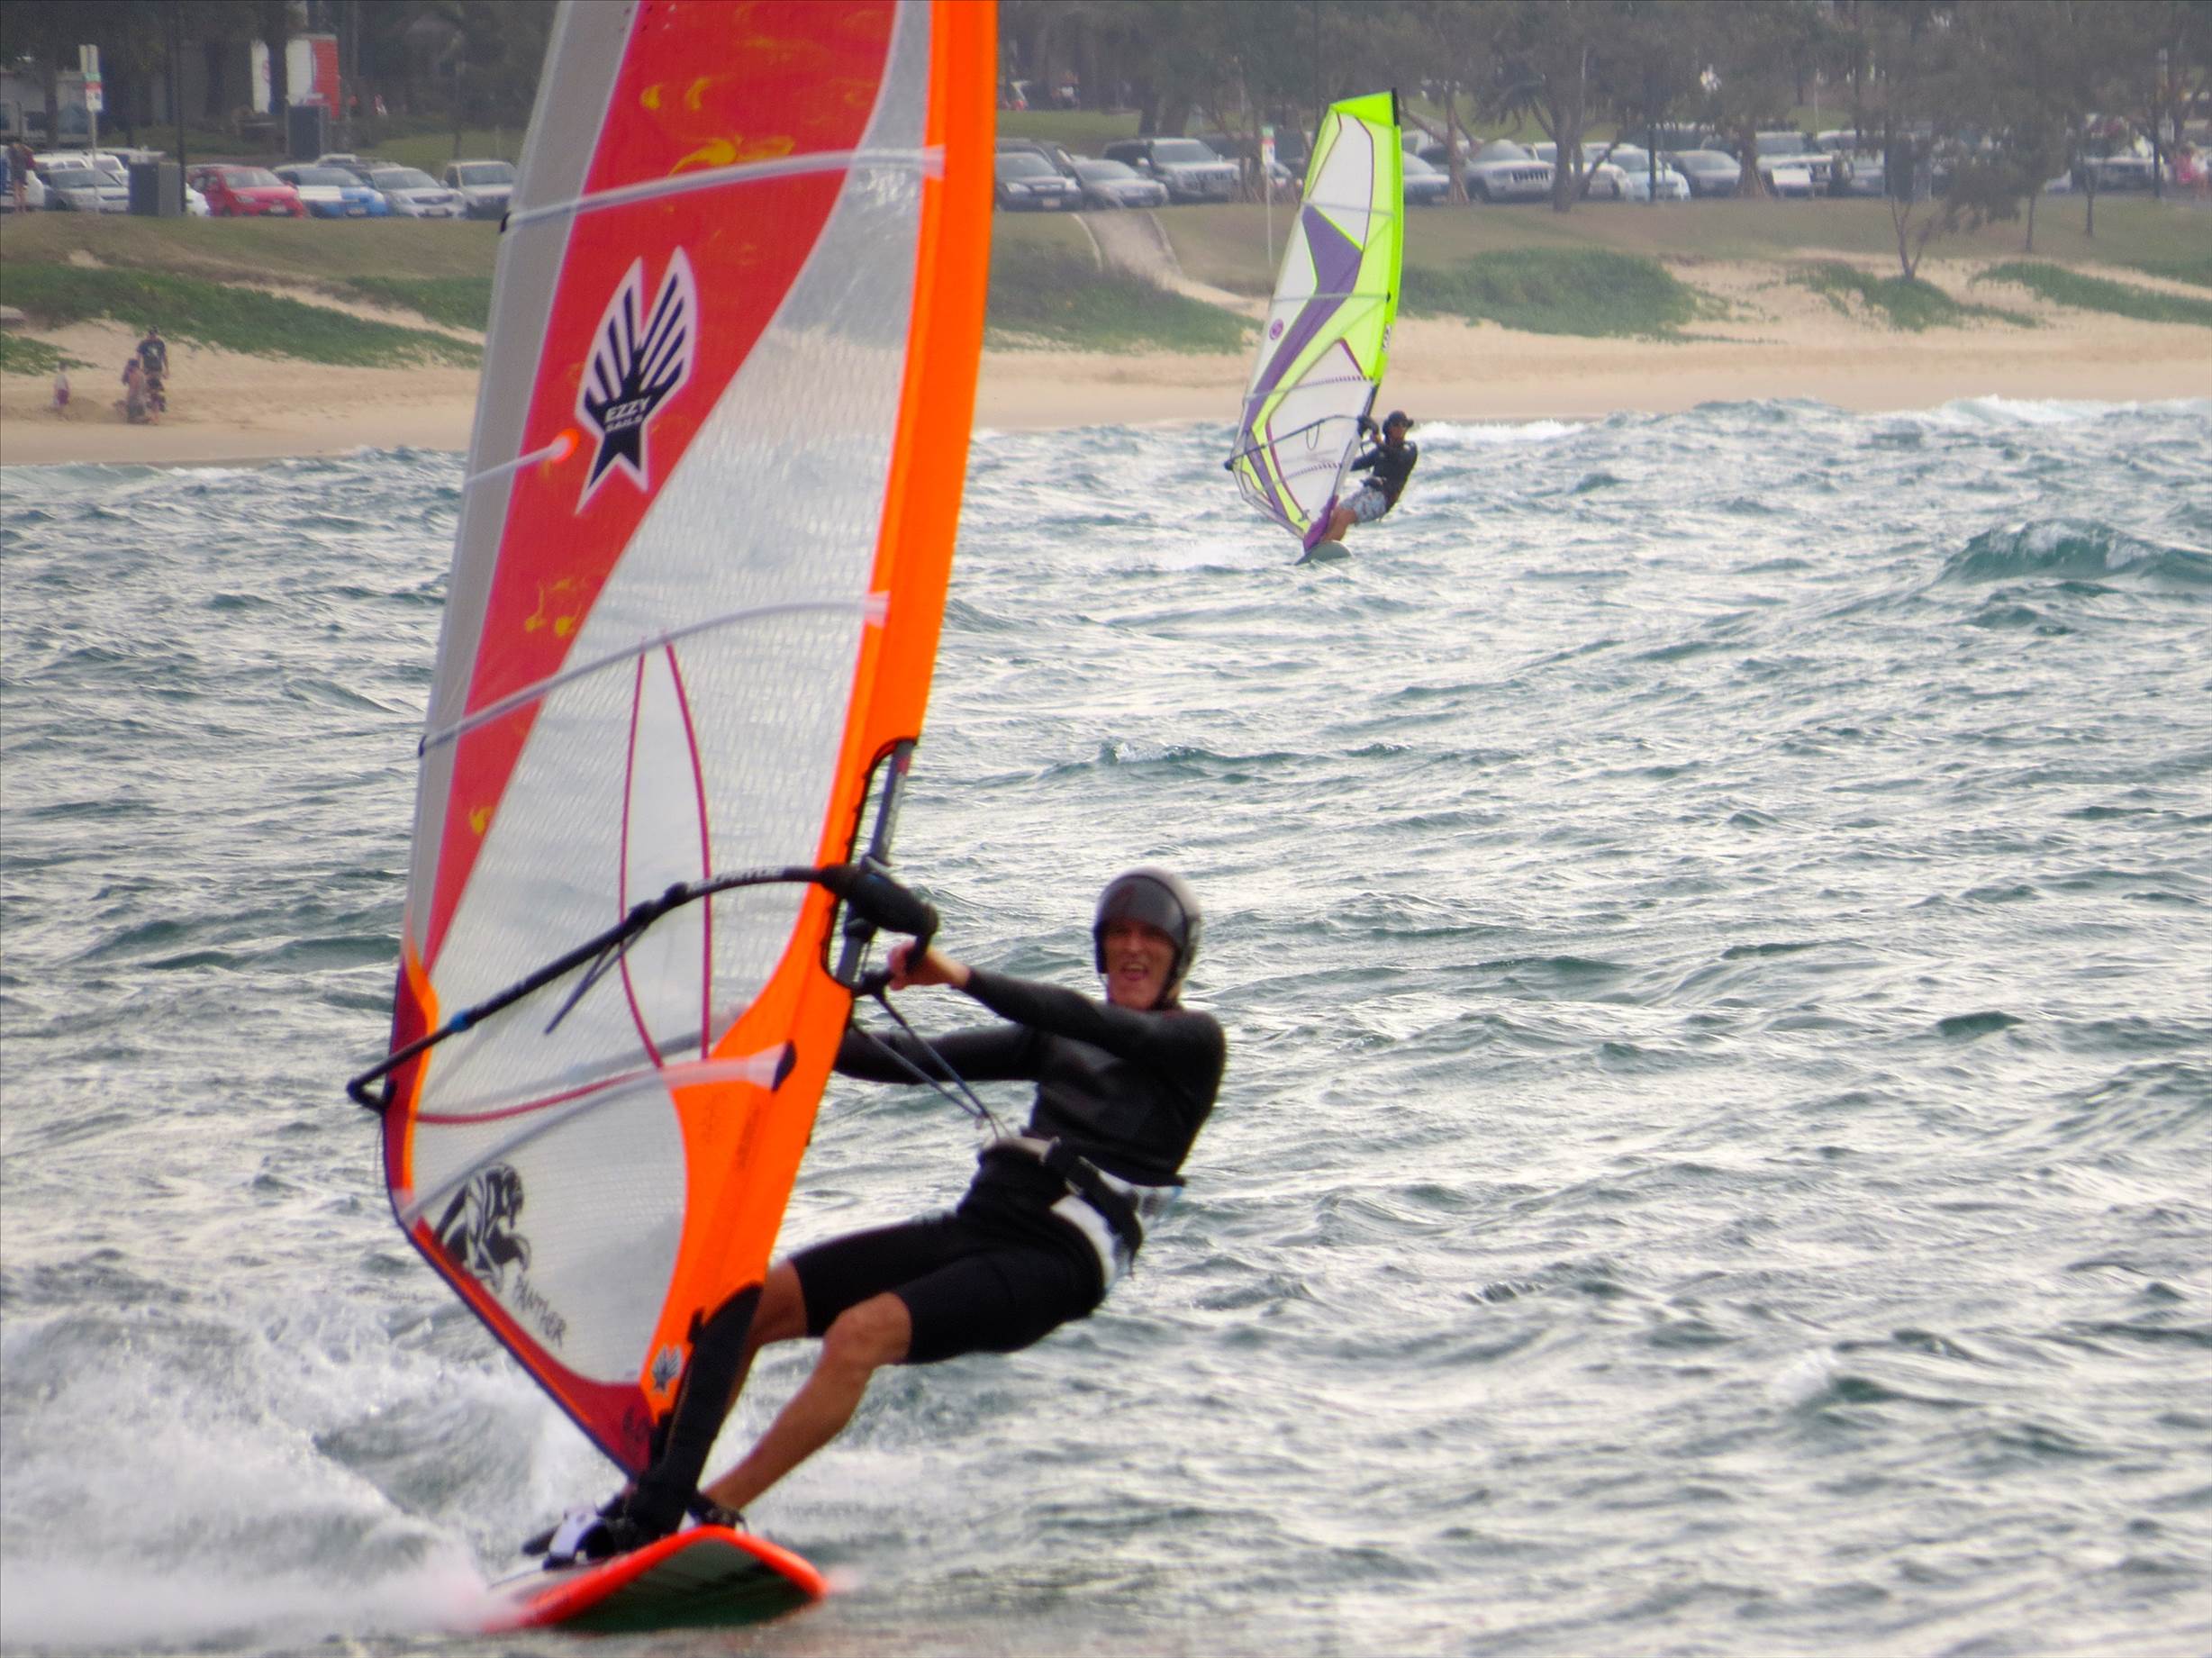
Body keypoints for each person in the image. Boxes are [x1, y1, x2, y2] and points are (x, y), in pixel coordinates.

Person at [530, 867, 1228, 1563]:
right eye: (1119, 934)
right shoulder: (1056, 1043)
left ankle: (709, 1511)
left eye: (1151, 936)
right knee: (752, 1301)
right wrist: (787, 1011)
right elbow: (891, 1059)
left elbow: (1080, 1015)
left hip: (1058, 1258)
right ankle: (645, 1499)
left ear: (1180, 955)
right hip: (983, 1223)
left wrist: (956, 975)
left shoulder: (1194, 1043)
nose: (1133, 948)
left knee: (860, 1333)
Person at [1320, 410, 1419, 545]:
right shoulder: (1380, 451)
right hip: (1369, 491)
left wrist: (1379, 443)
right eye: (1396, 424)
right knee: (1337, 512)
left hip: (1384, 498)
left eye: (1404, 425)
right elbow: (1355, 464)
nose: (1401, 428)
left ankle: (1324, 546)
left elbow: (1398, 457)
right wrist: (1331, 464)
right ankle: (1320, 545)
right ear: (1389, 428)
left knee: (1345, 517)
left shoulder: (1410, 448)